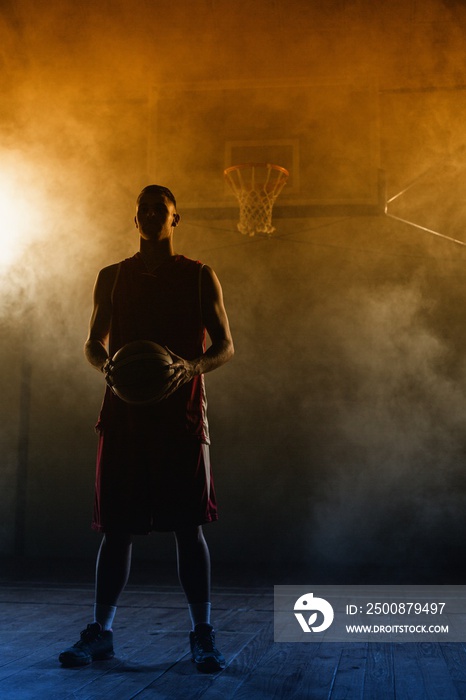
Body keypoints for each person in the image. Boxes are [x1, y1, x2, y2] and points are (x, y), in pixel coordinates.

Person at [58, 185, 234, 673]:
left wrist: (190, 367)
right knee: (116, 530)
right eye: (144, 207)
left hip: (180, 415)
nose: (152, 213)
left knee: (187, 527)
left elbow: (226, 346)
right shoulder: (112, 277)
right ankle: (102, 633)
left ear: (176, 219)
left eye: (162, 207)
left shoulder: (199, 276)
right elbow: (93, 343)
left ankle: (202, 634)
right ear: (135, 219)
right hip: (123, 415)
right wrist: (106, 366)